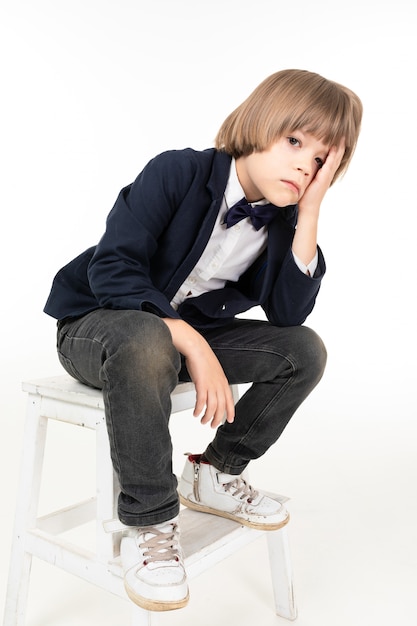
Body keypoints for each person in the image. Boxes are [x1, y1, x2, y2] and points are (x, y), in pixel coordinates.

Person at [44, 69, 362, 612]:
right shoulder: (178, 171)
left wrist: (309, 212)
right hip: (100, 325)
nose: (303, 165)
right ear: (261, 123)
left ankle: (214, 472)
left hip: (180, 336)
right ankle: (152, 523)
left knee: (303, 350)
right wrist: (187, 338)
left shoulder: (284, 222)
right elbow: (114, 269)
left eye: (320, 160)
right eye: (294, 142)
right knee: (147, 338)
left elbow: (288, 312)